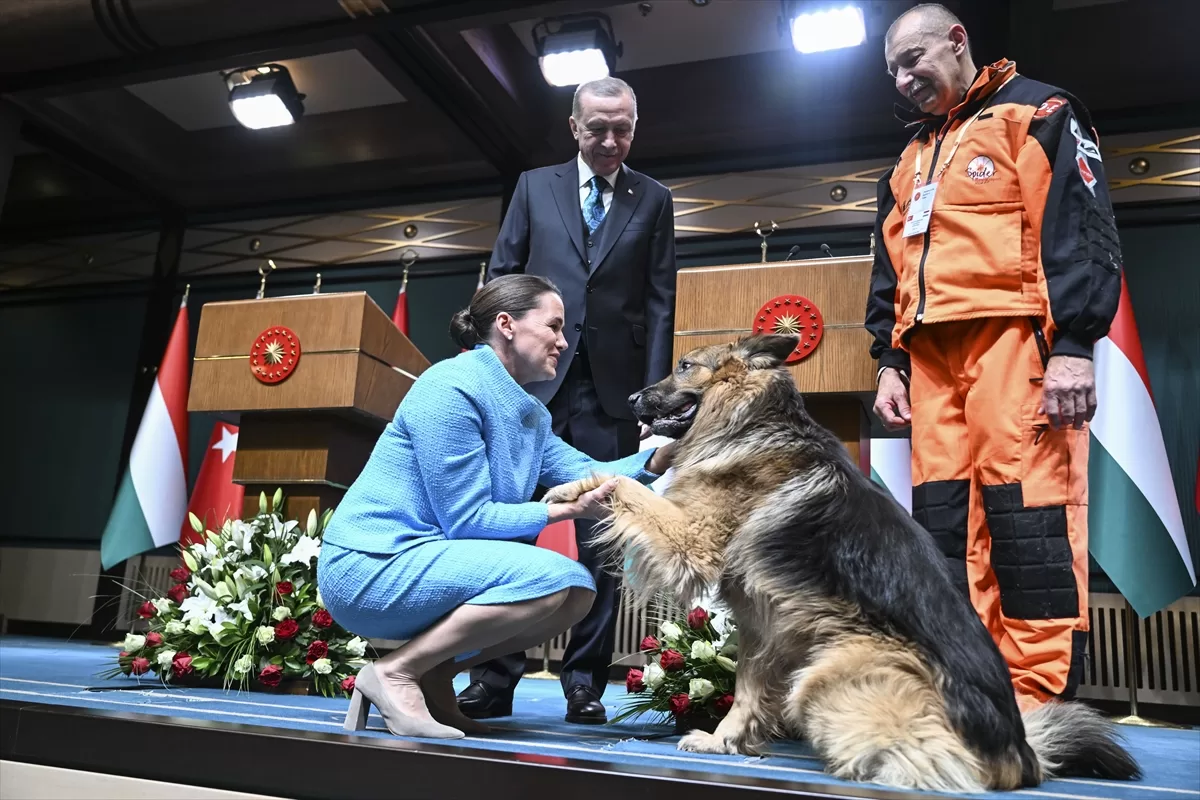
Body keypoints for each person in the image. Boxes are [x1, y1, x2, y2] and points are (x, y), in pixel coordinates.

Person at [865, 3, 1121, 710]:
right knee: (942, 524)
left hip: (1016, 345)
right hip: (931, 361)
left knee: (1028, 513)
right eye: (892, 69)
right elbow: (887, 266)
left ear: (957, 41)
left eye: (913, 58)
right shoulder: (913, 154)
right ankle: (964, 689)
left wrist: (1073, 345)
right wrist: (889, 358)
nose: (903, 78)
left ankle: (1037, 702)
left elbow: (1080, 225)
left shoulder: (1039, 112)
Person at [317, 274, 677, 739]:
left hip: (429, 561)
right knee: (549, 578)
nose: (564, 342)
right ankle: (394, 674)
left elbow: (589, 470)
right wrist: (564, 512)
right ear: (507, 324)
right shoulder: (450, 387)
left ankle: (432, 675)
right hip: (370, 566)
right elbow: (468, 521)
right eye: (553, 326)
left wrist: (661, 456)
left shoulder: (528, 412)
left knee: (575, 592)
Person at [458, 76, 678, 725]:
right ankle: (494, 676)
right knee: (511, 531)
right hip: (531, 389)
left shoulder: (655, 199)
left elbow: (661, 304)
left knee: (601, 544)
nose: (611, 141)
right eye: (599, 129)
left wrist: (655, 409)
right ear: (574, 127)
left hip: (612, 395)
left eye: (624, 129)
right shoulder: (534, 187)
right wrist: (489, 372)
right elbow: (501, 276)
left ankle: (584, 680)